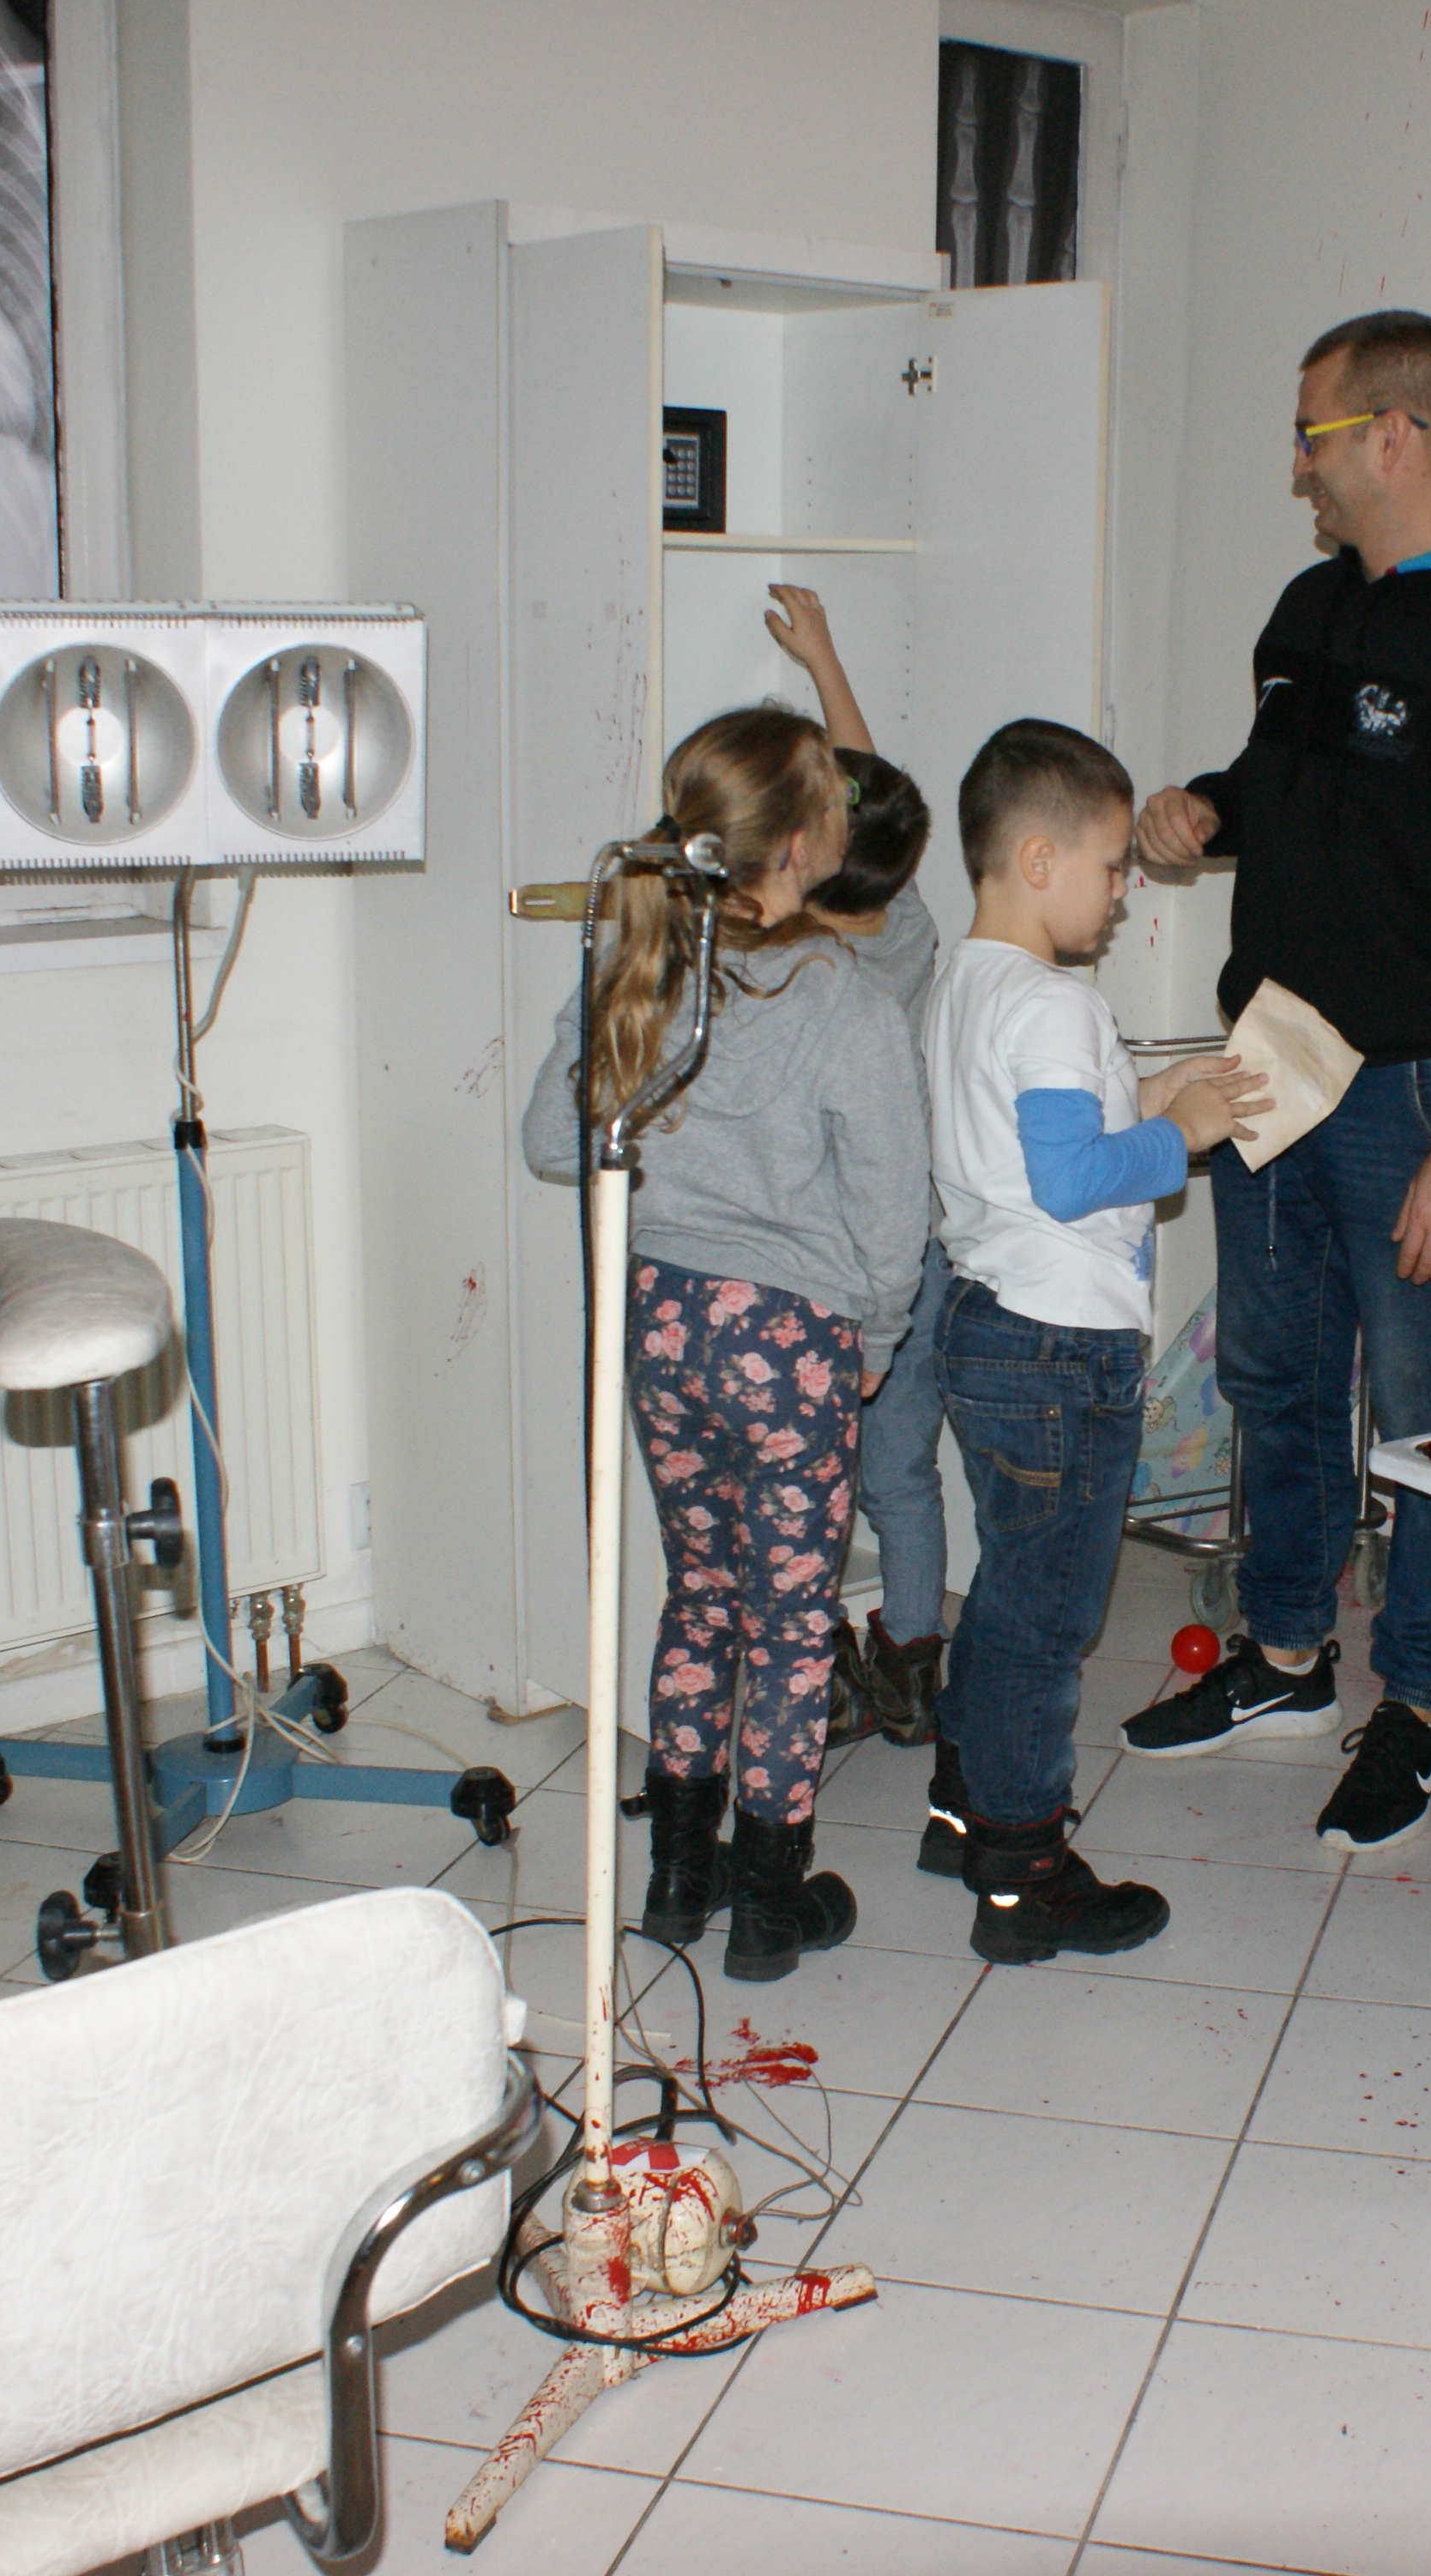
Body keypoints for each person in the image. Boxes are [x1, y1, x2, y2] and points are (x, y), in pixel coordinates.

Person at [1128, 308, 1431, 1853]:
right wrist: (1211, 808)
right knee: (1273, 1381)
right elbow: (1292, 788)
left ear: (1394, 437)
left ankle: (1417, 1704)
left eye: (1313, 435)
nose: (1299, 467)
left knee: (1426, 1414)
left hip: (1416, 1094)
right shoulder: (1307, 613)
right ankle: (1284, 1656)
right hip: (1271, 1065)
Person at [518, 704, 928, 1981]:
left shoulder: (646, 960)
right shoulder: (847, 1001)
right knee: (793, 1623)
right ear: (803, 846)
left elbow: (552, 1139)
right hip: (791, 1341)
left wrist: (598, 1005)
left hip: (661, 1324)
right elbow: (895, 1205)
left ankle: (676, 1882)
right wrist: (879, 1329)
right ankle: (766, 1907)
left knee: (700, 1595)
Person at [917, 720, 1265, 1959]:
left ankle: (962, 1806)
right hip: (1062, 1349)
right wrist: (1188, 1138)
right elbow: (1071, 1181)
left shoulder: (966, 985)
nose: (1124, 892)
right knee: (1048, 1621)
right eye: (1113, 865)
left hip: (988, 1323)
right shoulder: (1054, 1003)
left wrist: (1159, 1097)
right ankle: (1024, 1876)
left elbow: (1032, 1154)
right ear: (1036, 858)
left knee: (1010, 1589)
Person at [761, 583, 951, 1746]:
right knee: (900, 1474)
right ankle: (913, 1669)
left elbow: (856, 802)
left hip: (814, 1274)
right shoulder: (908, 923)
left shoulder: (793, 960)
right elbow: (871, 799)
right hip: (910, 1258)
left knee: (804, 1485)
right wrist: (827, 661)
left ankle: (818, 1661)